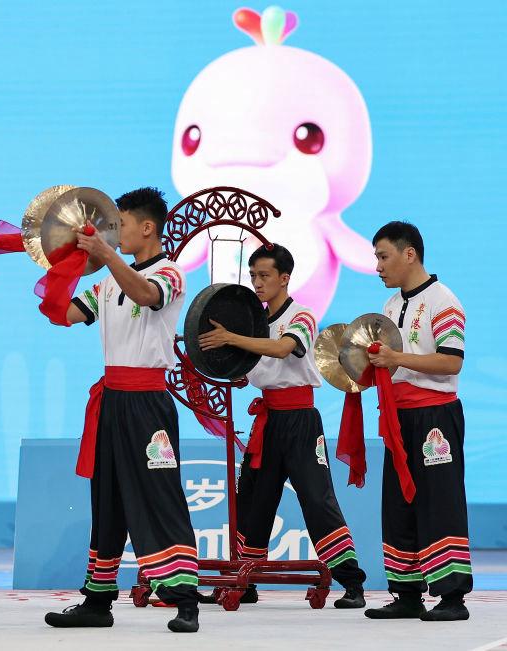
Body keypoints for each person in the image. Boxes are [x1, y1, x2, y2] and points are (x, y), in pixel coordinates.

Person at [42, 187, 200, 634]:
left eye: (121, 224)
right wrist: (59, 256)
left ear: (147, 228)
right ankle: (97, 600)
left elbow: (147, 295)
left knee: (160, 495)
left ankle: (185, 599)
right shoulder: (107, 281)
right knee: (106, 499)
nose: (114, 233)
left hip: (148, 403)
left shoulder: (170, 272)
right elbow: (65, 315)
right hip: (111, 400)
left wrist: (106, 254)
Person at [198, 243, 366, 609]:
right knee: (252, 499)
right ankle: (246, 579)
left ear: (284, 278)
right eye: (253, 276)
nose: (257, 283)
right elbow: (251, 366)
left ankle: (352, 582)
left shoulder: (301, 315)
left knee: (317, 499)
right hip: (268, 420)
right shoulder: (253, 322)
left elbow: (282, 349)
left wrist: (230, 338)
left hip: (300, 420)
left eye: (264, 276)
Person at [363, 221, 470, 621]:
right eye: (376, 257)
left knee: (439, 501)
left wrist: (395, 358)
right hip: (399, 416)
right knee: (398, 502)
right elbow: (387, 366)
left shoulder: (444, 302)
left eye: (383, 256)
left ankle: (453, 597)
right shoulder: (390, 306)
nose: (378, 266)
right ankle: (407, 593)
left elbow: (451, 362)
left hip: (434, 416)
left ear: (409, 254)